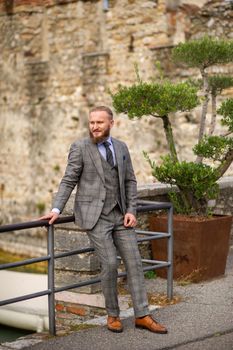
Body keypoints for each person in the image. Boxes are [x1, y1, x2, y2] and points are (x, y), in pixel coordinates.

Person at [40, 106, 167, 334]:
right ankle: (113, 315)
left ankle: (143, 315)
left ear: (111, 123)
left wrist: (131, 210)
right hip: (95, 216)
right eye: (91, 123)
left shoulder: (120, 147)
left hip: (121, 215)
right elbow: (68, 180)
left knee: (135, 263)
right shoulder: (80, 147)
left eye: (99, 122)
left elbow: (130, 181)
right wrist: (56, 209)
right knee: (109, 263)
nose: (95, 127)